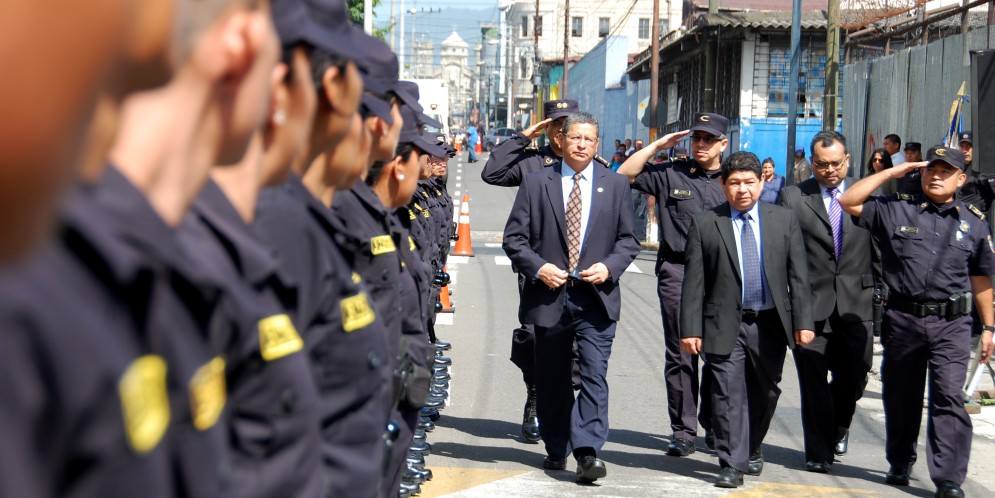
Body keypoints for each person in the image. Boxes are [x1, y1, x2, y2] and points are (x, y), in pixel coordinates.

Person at [838, 146, 995, 498]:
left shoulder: (973, 222)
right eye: (931, 169)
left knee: (949, 398)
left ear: (961, 179)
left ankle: (949, 478)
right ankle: (900, 460)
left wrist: (989, 328)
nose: (936, 176)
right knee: (901, 395)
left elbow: (981, 278)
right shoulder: (897, 209)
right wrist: (890, 173)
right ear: (921, 173)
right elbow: (848, 201)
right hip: (903, 319)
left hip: (952, 324)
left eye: (945, 171)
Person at [503, 111, 640, 483]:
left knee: (595, 374)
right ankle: (556, 445)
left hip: (596, 299)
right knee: (553, 379)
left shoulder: (615, 184)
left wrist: (609, 267)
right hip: (550, 298)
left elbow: (629, 240)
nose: (581, 144)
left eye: (588, 139)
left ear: (597, 144)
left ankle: (587, 451)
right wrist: (539, 268)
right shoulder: (536, 183)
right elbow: (514, 239)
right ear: (561, 140)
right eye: (575, 137)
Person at [680, 151, 814, 489]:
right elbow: (694, 282)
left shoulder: (783, 220)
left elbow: (798, 276)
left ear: (762, 182)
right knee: (727, 392)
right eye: (734, 183)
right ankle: (731, 463)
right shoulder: (706, 223)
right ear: (723, 185)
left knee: (765, 391)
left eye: (749, 182)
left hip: (769, 324)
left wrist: (804, 322)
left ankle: (752, 444)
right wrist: (691, 328)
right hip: (723, 322)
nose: (742, 189)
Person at [617, 113, 729, 458]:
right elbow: (624, 174)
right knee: (681, 353)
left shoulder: (734, 177)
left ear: (723, 144)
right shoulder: (672, 173)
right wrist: (656, 146)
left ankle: (714, 421)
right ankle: (683, 430)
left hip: (722, 275)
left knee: (720, 352)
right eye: (697, 138)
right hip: (679, 272)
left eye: (709, 139)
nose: (701, 145)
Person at [481, 99, 580, 443]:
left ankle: (564, 405)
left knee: (576, 341)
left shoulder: (589, 166)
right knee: (535, 336)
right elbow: (492, 173)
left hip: (580, 269)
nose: (561, 133)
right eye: (554, 126)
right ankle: (535, 397)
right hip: (538, 266)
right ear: (547, 129)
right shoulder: (532, 162)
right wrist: (523, 137)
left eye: (566, 126)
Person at [779, 131, 875, 474]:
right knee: (814, 383)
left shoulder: (866, 193)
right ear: (812, 163)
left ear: (847, 160)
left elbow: (880, 250)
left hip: (857, 304)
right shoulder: (793, 197)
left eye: (836, 163)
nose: (829, 170)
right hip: (810, 305)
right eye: (821, 164)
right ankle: (818, 452)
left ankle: (839, 425)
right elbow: (782, 252)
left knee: (855, 376)